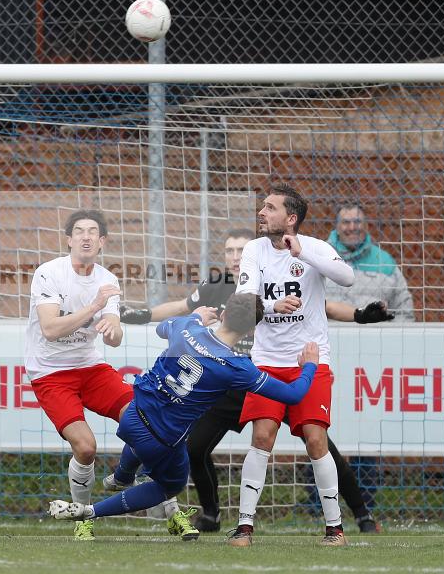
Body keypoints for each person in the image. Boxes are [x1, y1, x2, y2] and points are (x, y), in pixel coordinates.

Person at [121, 228, 389, 533]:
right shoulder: (219, 285)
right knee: (194, 448)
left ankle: (362, 515)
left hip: (265, 377)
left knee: (319, 443)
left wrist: (359, 314)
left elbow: (323, 307)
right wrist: (140, 315)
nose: (236, 257)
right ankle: (211, 515)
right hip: (227, 386)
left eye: (240, 250)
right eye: (230, 251)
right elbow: (183, 308)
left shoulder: (272, 275)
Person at [48, 294, 317, 537]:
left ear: (222, 314)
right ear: (251, 330)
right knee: (170, 484)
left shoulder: (187, 328)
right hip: (163, 439)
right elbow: (293, 395)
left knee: (145, 433)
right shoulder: (238, 366)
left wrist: (195, 317)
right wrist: (309, 367)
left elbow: (162, 327)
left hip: (132, 414)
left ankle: (123, 474)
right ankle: (89, 512)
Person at [25, 209, 192, 540]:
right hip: (51, 373)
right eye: (79, 231)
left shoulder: (107, 279)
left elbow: (113, 336)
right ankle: (83, 519)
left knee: (151, 425)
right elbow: (50, 329)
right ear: (69, 239)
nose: (85, 236)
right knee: (85, 448)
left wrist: (113, 327)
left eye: (92, 232)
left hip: (92, 368)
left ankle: (172, 512)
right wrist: (92, 308)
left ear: (101, 242)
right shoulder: (49, 274)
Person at [232, 183, 355, 547]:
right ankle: (244, 526)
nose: (261, 212)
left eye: (269, 208)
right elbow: (244, 300)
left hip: (310, 361)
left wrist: (305, 254)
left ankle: (334, 529)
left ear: (290, 219)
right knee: (262, 437)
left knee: (317, 440)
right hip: (267, 364)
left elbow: (347, 278)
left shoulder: (314, 247)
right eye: (262, 207)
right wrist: (271, 306)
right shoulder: (254, 249)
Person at [325, 203, 414, 321]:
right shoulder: (321, 255)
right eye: (346, 222)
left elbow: (404, 309)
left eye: (357, 222)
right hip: (328, 336)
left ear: (366, 226)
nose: (352, 227)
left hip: (376, 337)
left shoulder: (384, 261)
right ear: (337, 227)